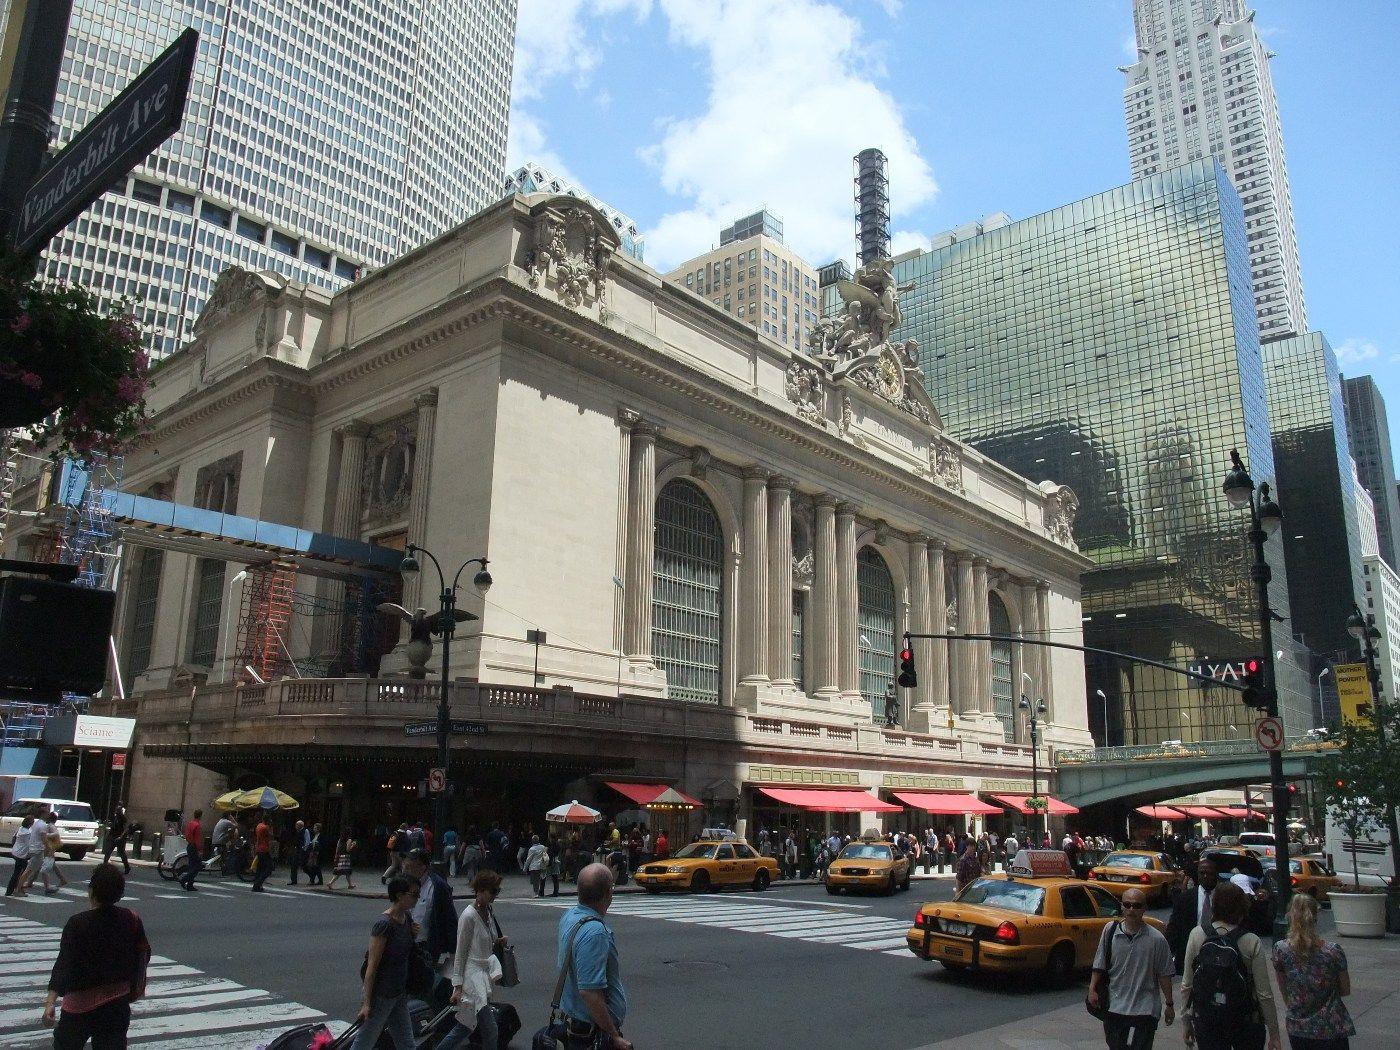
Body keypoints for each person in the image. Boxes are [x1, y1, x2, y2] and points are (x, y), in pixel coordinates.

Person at [43, 863, 151, 1048]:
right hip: (116, 1003)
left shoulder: (78, 923)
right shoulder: (131, 918)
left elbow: (64, 964)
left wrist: (50, 1002)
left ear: (92, 891)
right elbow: (143, 954)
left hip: (79, 1007)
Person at [1181, 882, 1280, 1050]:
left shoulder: (1197, 934)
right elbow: (1264, 993)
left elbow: (1187, 984)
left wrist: (1186, 1021)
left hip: (1208, 1018)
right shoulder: (1251, 941)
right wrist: (1274, 1032)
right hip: (1245, 1019)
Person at [1089, 887, 1176, 1050]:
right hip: (1115, 1005)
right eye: (1127, 905)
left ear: (1144, 908)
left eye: (1136, 905)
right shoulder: (1110, 931)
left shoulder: (1157, 940)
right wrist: (1092, 988)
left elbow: (1164, 974)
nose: (1131, 909)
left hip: (1145, 1008)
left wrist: (1169, 1004)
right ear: (1121, 906)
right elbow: (1099, 962)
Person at [557, 863, 631, 1050]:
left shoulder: (570, 916)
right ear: (608, 894)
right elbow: (590, 992)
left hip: (575, 1022)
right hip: (589, 1032)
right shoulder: (595, 932)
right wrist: (614, 1036)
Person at [1272, 894, 1355, 1050]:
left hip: (1299, 1026)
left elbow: (1284, 990)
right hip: (1331, 1025)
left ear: (1291, 916)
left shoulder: (1280, 950)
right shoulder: (1333, 951)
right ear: (1315, 917)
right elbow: (1345, 989)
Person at [437, 870, 506, 1050]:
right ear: (480, 890)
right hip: (472, 978)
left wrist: (497, 941)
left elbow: (484, 941)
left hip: (483, 975)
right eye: (493, 891)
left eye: (497, 891)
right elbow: (460, 952)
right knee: (490, 1029)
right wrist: (457, 986)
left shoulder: (488, 911)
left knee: (465, 1027)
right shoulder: (468, 916)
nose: (495, 895)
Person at [351, 874, 421, 1050]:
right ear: (399, 895)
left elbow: (406, 953)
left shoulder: (407, 919)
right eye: (413, 895)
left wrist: (413, 935)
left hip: (398, 993)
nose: (416, 899)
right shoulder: (384, 924)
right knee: (364, 1042)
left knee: (406, 1043)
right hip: (381, 995)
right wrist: (367, 1003)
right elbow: (372, 966)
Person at [403, 848, 458, 970]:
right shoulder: (405, 882)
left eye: (410, 864)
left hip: (427, 946)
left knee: (423, 982)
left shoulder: (437, 886)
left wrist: (453, 951)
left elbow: (450, 918)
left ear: (422, 867)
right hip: (406, 942)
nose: (406, 867)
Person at [19, 809, 51, 893]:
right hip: (38, 850)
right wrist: (49, 849)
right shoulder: (43, 825)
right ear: (43, 814)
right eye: (47, 813)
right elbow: (44, 839)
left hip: (35, 849)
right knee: (29, 870)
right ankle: (18, 888)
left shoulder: (37, 823)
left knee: (37, 868)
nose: (48, 815)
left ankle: (46, 887)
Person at [7, 814, 35, 897]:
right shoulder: (28, 832)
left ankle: (12, 889)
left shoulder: (20, 829)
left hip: (16, 852)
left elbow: (13, 838)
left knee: (18, 872)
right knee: (22, 873)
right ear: (31, 823)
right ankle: (16, 889)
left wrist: (14, 846)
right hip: (22, 854)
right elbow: (30, 844)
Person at [181, 809, 204, 892]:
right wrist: (200, 850)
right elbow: (197, 839)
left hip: (189, 845)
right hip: (194, 847)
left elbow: (186, 835)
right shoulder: (197, 825)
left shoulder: (190, 823)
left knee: (192, 866)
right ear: (200, 816)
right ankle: (185, 879)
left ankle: (190, 884)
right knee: (197, 866)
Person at [103, 807, 131, 874]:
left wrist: (120, 837)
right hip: (113, 836)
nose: (116, 812)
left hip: (120, 838)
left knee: (121, 853)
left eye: (118, 811)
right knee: (108, 852)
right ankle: (104, 867)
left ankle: (127, 867)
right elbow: (112, 826)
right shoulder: (114, 818)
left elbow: (125, 829)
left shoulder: (123, 818)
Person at [251, 814, 273, 893]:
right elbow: (271, 835)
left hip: (258, 848)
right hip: (264, 849)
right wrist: (271, 827)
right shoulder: (265, 827)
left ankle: (256, 885)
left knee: (260, 868)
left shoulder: (259, 826)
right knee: (269, 868)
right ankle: (258, 883)